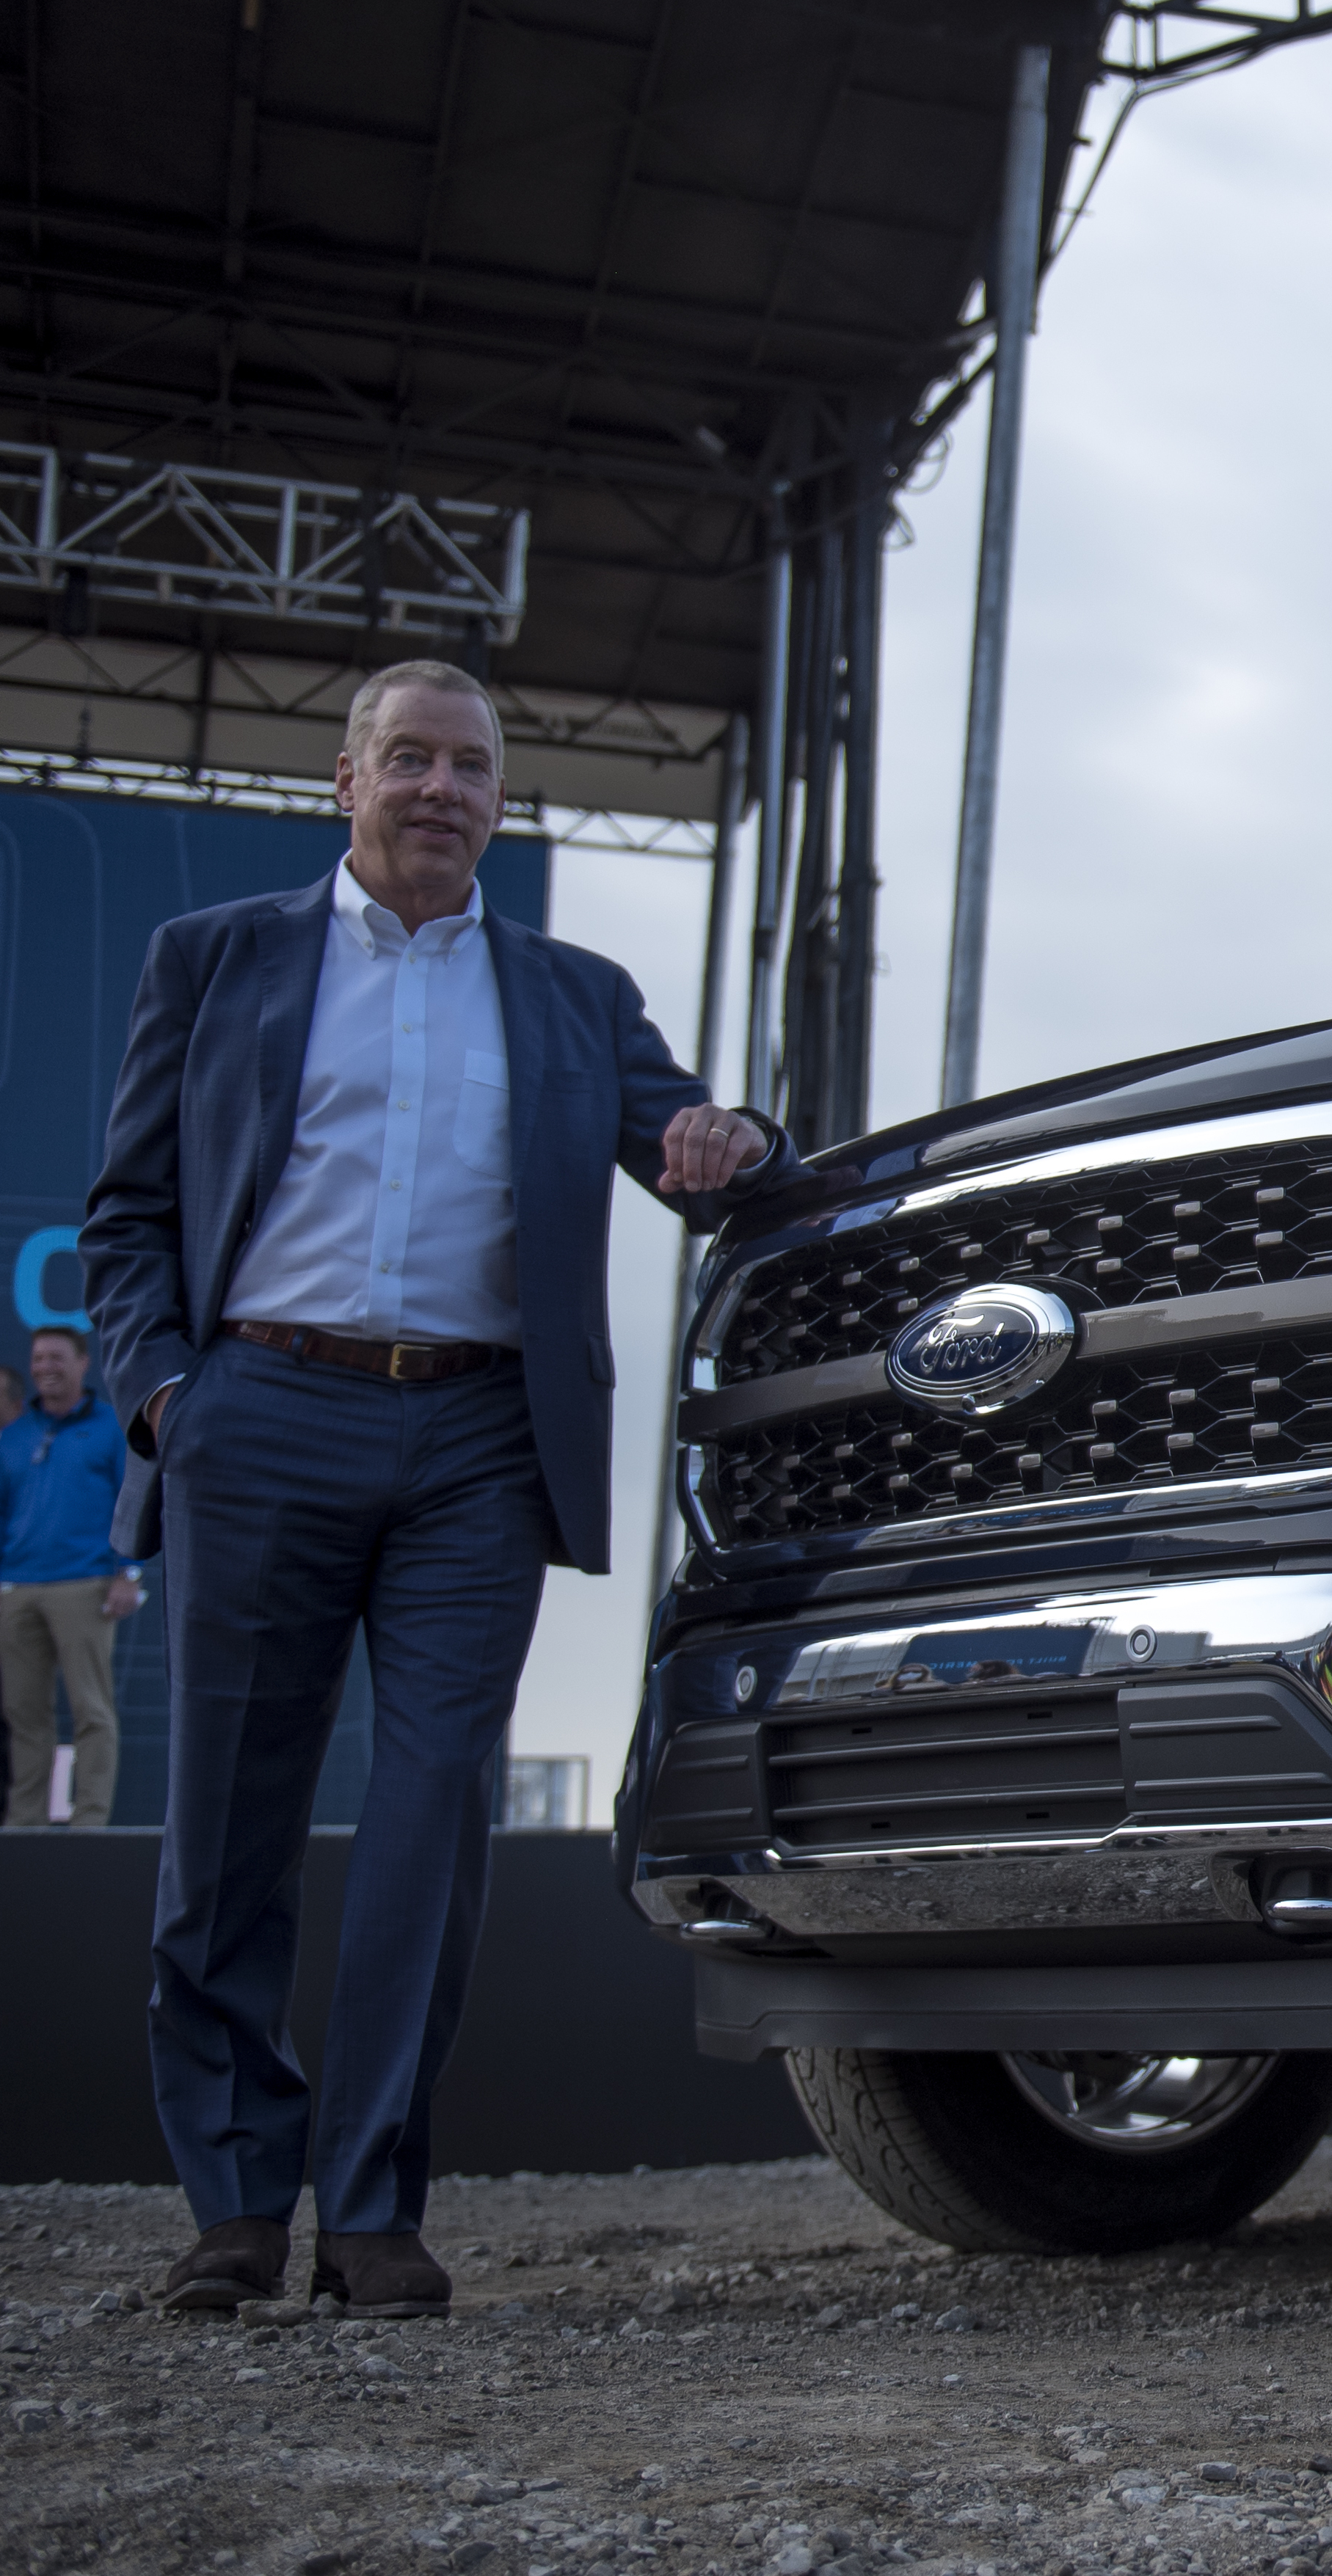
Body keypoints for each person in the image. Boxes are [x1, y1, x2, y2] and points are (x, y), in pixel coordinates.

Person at [80, 656, 803, 2324]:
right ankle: (237, 2206)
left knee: (432, 1818)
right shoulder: (215, 961)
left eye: (469, 768)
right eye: (406, 758)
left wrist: (737, 1135)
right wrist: (168, 1394)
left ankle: (380, 2202)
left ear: (496, 800)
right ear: (345, 782)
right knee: (228, 1830)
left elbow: (687, 1139)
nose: (439, 790)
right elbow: (127, 1216)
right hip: (260, 1409)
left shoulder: (570, 991)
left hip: (478, 1444)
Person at [1, 1325, 142, 1827]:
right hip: (16, 1590)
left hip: (85, 1586)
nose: (45, 1368)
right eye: (39, 1359)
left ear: (84, 1363)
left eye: (57, 1358)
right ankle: (24, 1824)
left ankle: (89, 1824)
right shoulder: (15, 1435)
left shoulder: (110, 1428)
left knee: (92, 1711)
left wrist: (131, 1573)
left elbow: (136, 1503)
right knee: (24, 1717)